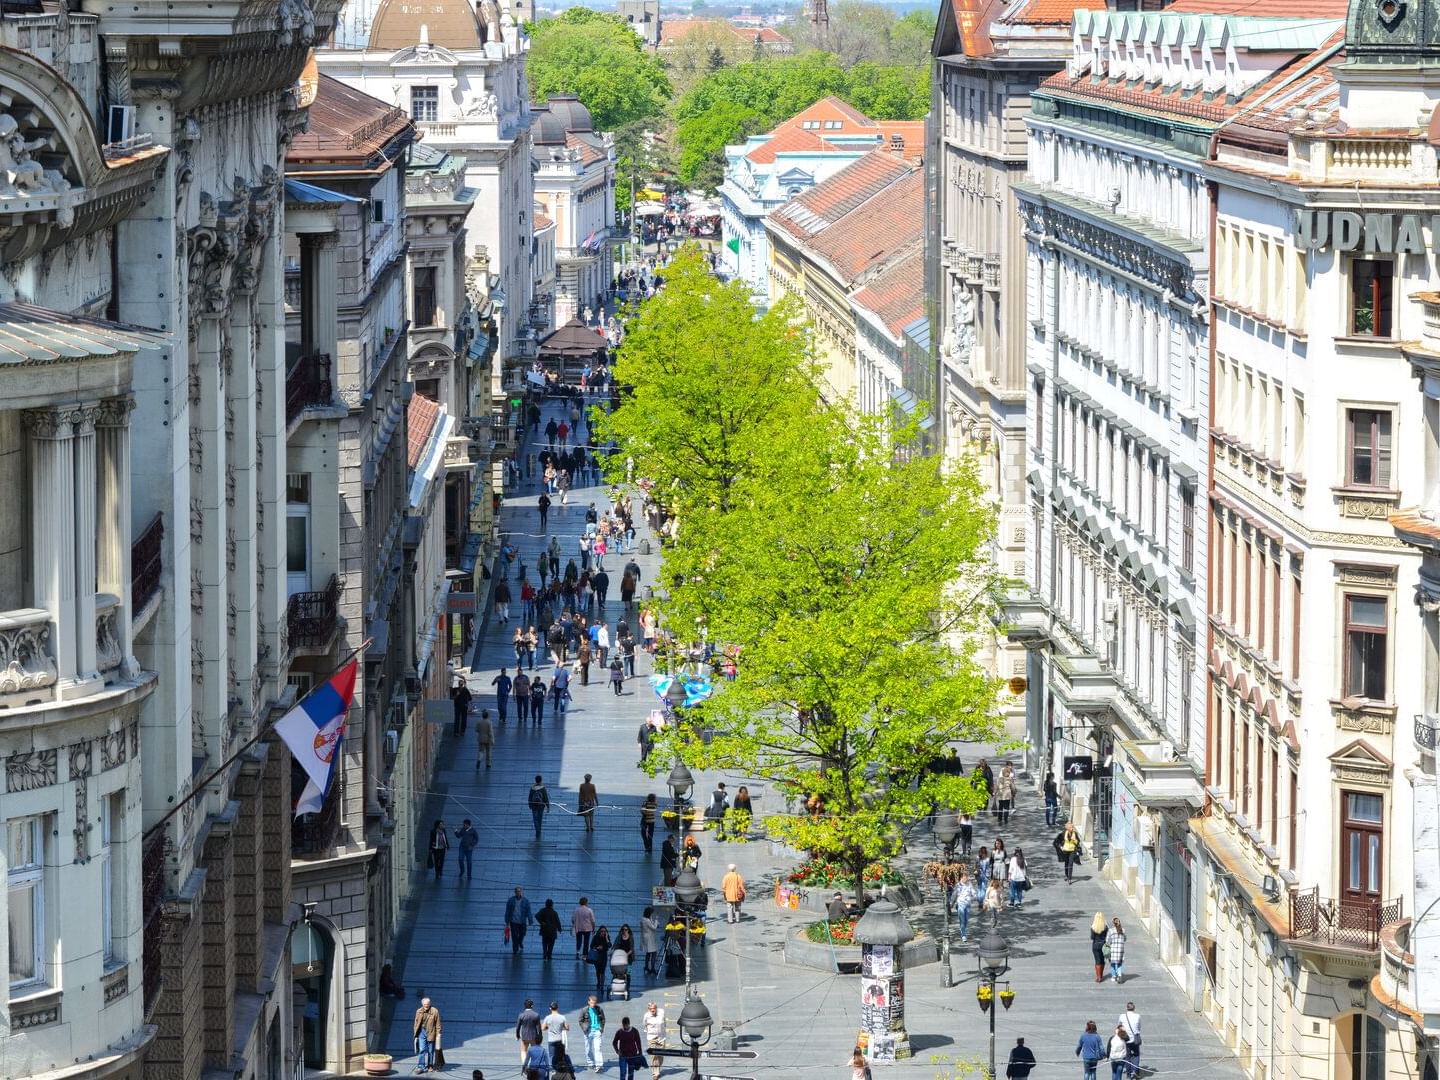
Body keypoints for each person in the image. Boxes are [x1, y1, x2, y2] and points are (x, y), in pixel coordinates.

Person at [413, 997, 442, 1074]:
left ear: (430, 1004)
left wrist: (438, 1033)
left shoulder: (435, 1011)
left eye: (428, 1004)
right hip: (421, 1032)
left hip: (431, 1032)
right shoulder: (418, 1011)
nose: (426, 1006)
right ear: (422, 1004)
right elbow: (416, 1022)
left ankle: (430, 1065)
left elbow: (438, 1023)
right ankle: (421, 1066)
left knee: (430, 1051)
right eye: (425, 1005)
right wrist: (415, 1033)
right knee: (422, 1049)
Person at [580, 996, 607, 1071]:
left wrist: (601, 1028)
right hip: (588, 1031)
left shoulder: (599, 1009)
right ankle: (590, 1063)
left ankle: (599, 1065)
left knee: (597, 1049)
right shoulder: (584, 1010)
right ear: (588, 1002)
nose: (593, 1004)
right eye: (591, 1003)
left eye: (594, 1003)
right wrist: (584, 1029)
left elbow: (603, 1019)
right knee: (588, 1049)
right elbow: (580, 1020)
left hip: (597, 1031)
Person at [642, 1002, 666, 1080]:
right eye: (651, 1010)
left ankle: (658, 1067)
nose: (653, 1011)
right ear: (649, 1009)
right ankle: (655, 1073)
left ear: (656, 1008)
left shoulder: (662, 1012)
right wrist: (649, 1031)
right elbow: (644, 1024)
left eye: (654, 1009)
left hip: (661, 1037)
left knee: (660, 1056)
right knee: (654, 1056)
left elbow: (664, 1022)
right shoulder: (646, 1016)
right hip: (651, 1037)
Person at [507, 887, 534, 955]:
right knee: (514, 936)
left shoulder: (525, 901)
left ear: (521, 892)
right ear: (515, 892)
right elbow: (508, 911)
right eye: (516, 891)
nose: (518, 892)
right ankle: (515, 949)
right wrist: (507, 920)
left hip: (522, 921)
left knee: (523, 933)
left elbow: (528, 911)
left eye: (519, 891)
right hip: (514, 922)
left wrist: (530, 920)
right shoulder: (511, 900)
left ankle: (520, 942)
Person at [516, 998, 543, 1063]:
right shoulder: (536, 1015)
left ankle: (524, 1066)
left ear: (524, 1006)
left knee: (523, 1051)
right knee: (534, 1051)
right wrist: (540, 1036)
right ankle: (534, 1065)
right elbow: (539, 1028)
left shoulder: (521, 1015)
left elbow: (518, 1027)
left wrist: (517, 1035)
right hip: (533, 1037)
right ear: (532, 1006)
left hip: (524, 1036)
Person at [953, 870, 976, 943]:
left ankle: (963, 931)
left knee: (966, 920)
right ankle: (963, 935)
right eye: (965, 877)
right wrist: (951, 903)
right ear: (961, 878)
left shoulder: (969, 884)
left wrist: (974, 897)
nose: (966, 879)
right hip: (961, 904)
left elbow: (973, 892)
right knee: (962, 920)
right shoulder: (958, 885)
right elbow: (954, 895)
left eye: (967, 877)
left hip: (968, 904)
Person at [589, 926, 612, 996]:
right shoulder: (596, 937)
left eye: (604, 931)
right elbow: (591, 946)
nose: (603, 932)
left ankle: (602, 985)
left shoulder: (606, 938)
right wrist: (597, 947)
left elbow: (609, 945)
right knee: (597, 971)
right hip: (597, 956)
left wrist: (606, 938)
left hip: (604, 956)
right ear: (599, 931)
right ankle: (598, 982)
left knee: (603, 971)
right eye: (602, 931)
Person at [1119, 1002, 1142, 1070]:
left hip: (1126, 1038)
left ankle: (1128, 1073)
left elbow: (1119, 1026)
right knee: (1136, 1054)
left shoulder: (1122, 1016)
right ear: (1134, 1008)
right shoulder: (1138, 1016)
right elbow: (1139, 1027)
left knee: (1127, 1056)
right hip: (1135, 1038)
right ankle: (1135, 1070)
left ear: (1126, 1008)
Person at [641, 907, 662, 975]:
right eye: (651, 913)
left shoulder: (644, 919)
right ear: (649, 913)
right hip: (649, 939)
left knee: (648, 953)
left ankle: (646, 967)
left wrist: (655, 922)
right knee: (654, 953)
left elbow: (653, 925)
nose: (652, 914)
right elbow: (654, 928)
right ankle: (652, 968)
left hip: (647, 938)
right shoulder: (647, 920)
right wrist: (656, 920)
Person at [529, 775, 551, 839]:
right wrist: (548, 806)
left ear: (535, 780)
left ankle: (537, 830)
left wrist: (530, 805)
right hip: (541, 806)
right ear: (541, 780)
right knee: (539, 819)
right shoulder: (543, 788)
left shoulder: (532, 788)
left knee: (535, 819)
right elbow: (546, 797)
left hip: (534, 805)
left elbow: (530, 797)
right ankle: (539, 831)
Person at [1090, 913, 1110, 984]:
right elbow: (1108, 936)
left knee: (1097, 961)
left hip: (1095, 945)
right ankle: (1101, 975)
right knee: (1102, 960)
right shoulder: (1106, 927)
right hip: (1104, 945)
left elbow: (1092, 937)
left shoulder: (1093, 927)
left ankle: (1099, 977)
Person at [1108, 918, 1127, 983]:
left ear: (1113, 923)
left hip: (1113, 950)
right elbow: (1125, 939)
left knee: (1113, 963)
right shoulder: (1123, 930)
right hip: (1120, 950)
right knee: (1119, 964)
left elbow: (1107, 940)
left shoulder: (1111, 930)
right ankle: (1119, 975)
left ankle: (1114, 977)